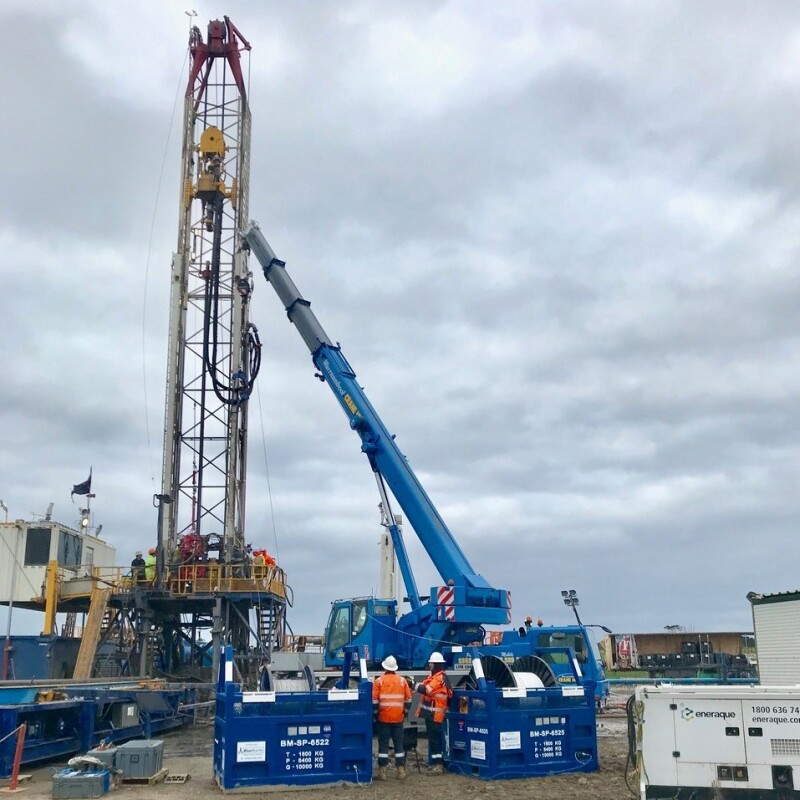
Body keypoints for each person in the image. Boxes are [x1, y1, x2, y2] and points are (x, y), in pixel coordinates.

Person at [372, 655, 412, 781]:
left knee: (383, 747)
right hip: (398, 719)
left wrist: (375, 715)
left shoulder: (379, 681)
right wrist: (404, 713)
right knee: (399, 746)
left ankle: (382, 772)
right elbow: (409, 699)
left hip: (383, 719)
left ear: (384, 667)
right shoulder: (402, 681)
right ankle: (401, 771)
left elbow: (374, 701)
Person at [415, 652, 452, 775]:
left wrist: (414, 685)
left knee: (436, 740)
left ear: (436, 664)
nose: (429, 665)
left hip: (436, 714)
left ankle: (439, 766)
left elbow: (427, 690)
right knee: (433, 739)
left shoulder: (439, 678)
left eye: (431, 663)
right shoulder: (435, 677)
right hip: (431, 713)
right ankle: (436, 764)